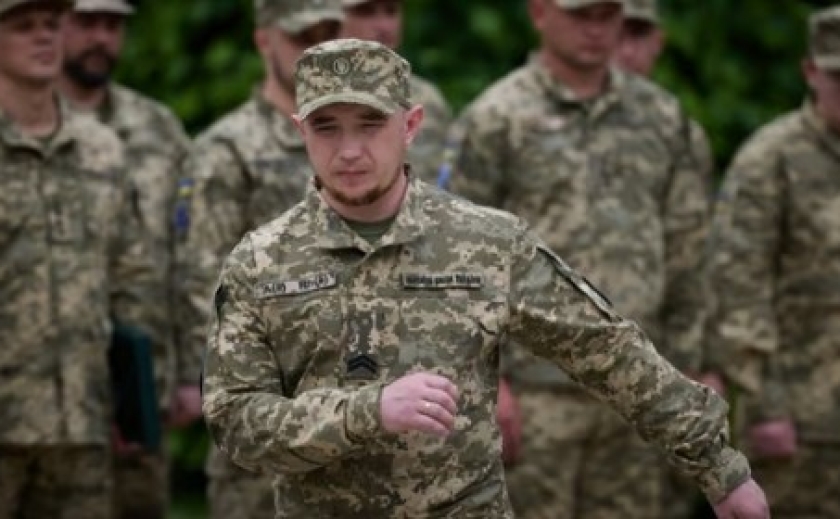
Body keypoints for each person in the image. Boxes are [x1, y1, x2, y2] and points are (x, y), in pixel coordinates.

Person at [201, 37, 769, 519]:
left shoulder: (488, 244)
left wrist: (720, 468)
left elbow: (609, 350)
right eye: (327, 128)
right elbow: (236, 423)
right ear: (300, 130)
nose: (349, 151)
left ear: (411, 125)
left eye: (371, 124)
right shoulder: (261, 262)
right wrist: (367, 412)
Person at [446, 0, 712, 517]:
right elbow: (456, 260)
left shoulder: (661, 117)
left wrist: (686, 370)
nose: (594, 30)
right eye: (579, 15)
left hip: (637, 389)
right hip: (535, 395)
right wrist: (485, 384)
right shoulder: (497, 117)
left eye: (606, 16)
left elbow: (688, 251)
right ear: (540, 13)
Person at [177, 0, 344, 517]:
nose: (316, 52)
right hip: (268, 418)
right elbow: (205, 286)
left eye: (328, 34)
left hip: (357, 418)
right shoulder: (228, 150)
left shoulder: (359, 140)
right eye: (301, 38)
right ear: (263, 39)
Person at [0, 0, 157, 518]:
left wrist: (132, 399)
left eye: (51, 25)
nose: (43, 37)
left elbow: (130, 276)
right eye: (24, 27)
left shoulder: (101, 148)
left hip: (83, 422)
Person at [57, 1, 195, 516]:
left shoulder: (157, 128)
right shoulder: (22, 124)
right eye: (87, 23)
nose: (101, 38)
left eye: (112, 25)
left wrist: (190, 370)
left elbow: (189, 250)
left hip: (143, 382)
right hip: (40, 394)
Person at [705, 5, 840, 518]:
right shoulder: (771, 159)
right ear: (811, 71)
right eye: (839, 77)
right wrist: (766, 405)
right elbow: (738, 288)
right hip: (803, 425)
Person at [339, 0, 451, 183]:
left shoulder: (427, 99)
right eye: (366, 12)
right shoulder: (312, 94)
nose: (384, 26)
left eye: (391, 11)